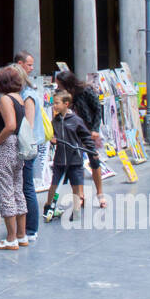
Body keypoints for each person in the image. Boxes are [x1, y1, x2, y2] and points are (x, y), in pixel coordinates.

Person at [0, 65, 29, 250]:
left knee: (4, 192)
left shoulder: (5, 99)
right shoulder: (19, 98)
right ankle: (21, 235)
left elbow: (10, 125)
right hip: (16, 148)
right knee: (17, 190)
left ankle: (11, 237)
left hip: (4, 147)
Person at [43, 89, 99, 218]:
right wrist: (53, 139)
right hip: (60, 159)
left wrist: (93, 151)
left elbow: (86, 137)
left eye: (57, 103)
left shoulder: (76, 120)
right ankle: (48, 206)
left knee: (76, 185)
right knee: (54, 184)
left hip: (74, 158)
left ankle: (76, 209)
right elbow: (53, 135)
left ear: (66, 104)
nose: (54, 106)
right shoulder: (55, 121)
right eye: (54, 103)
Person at [55, 70, 106, 209]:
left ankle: (100, 193)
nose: (57, 87)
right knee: (75, 164)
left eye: (59, 84)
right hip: (72, 131)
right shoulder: (63, 95)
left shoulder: (85, 91)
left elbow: (97, 109)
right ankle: (80, 195)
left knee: (94, 160)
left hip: (88, 130)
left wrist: (95, 129)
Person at [14, 50, 42, 242]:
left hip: (28, 147)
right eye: (29, 65)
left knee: (27, 187)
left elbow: (28, 126)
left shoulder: (28, 96)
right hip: (28, 145)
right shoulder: (25, 94)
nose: (32, 68)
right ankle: (25, 227)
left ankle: (31, 228)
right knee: (24, 186)